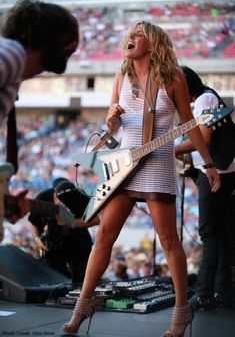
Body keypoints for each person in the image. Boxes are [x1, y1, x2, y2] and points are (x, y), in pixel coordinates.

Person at [61, 21, 221, 336]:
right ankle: (82, 306)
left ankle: (181, 311)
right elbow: (113, 127)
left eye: (138, 34)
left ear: (154, 42)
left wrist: (209, 163)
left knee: (168, 240)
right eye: (130, 34)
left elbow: (189, 123)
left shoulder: (173, 77)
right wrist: (111, 121)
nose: (130, 38)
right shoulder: (122, 75)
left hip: (158, 163)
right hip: (124, 165)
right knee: (105, 234)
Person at [0, 0, 79, 224]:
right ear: (49, 36)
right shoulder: (12, 54)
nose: (73, 47)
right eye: (69, 39)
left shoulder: (13, 66)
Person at [175, 66, 235, 310]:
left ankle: (204, 293)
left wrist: (171, 149)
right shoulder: (204, 99)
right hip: (220, 172)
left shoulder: (205, 99)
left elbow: (204, 138)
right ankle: (221, 291)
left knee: (209, 233)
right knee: (220, 235)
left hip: (218, 174)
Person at [28, 178, 99, 286]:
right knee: (52, 280)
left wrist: (69, 222)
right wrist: (37, 240)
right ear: (54, 196)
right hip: (53, 245)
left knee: (80, 281)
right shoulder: (42, 198)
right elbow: (34, 223)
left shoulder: (82, 196)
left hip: (79, 244)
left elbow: (96, 219)